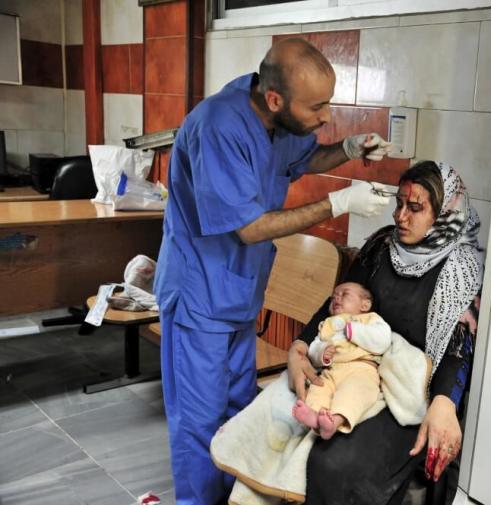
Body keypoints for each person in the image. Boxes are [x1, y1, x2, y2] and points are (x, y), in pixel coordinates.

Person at [154, 37, 395, 505]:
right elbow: (249, 228)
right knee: (198, 419)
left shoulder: (280, 123)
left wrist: (346, 148)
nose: (326, 115)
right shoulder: (219, 126)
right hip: (200, 293)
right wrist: (338, 202)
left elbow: (302, 160)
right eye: (318, 107)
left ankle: (234, 497)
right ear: (274, 99)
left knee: (237, 407)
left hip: (239, 292)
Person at [287, 160, 485, 504]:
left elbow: (459, 349)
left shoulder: (460, 269)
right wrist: (301, 346)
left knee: (331, 463)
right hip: (355, 369)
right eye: (399, 204)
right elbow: (339, 300)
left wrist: (444, 403)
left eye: (415, 208)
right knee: (281, 428)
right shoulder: (382, 246)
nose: (400, 216)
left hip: (407, 394)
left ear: (443, 213)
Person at [293, 281, 392, 440]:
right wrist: (322, 353)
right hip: (331, 371)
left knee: (353, 393)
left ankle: (335, 421)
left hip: (362, 369)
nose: (337, 298)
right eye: (333, 297)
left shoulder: (370, 319)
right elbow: (313, 348)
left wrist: (354, 330)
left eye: (344, 294)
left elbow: (382, 341)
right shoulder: (327, 325)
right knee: (318, 388)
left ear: (365, 305)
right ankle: (315, 416)